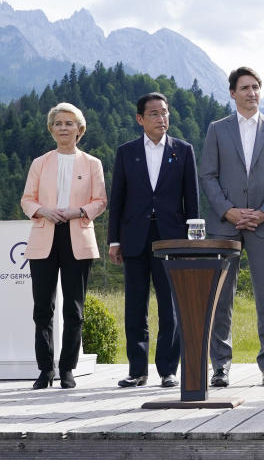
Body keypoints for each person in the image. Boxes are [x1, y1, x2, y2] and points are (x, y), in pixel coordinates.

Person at [202, 67, 264, 388]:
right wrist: (228, 212)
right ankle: (221, 366)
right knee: (221, 298)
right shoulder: (217, 129)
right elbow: (208, 176)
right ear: (232, 93)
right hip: (224, 227)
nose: (252, 92)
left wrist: (263, 213)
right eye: (245, 88)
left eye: (256, 87)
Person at [108, 92, 199, 388]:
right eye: (154, 114)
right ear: (140, 119)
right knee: (135, 305)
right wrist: (113, 241)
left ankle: (168, 370)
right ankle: (137, 370)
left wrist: (192, 241)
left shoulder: (183, 151)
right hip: (134, 238)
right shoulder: (126, 152)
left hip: (171, 240)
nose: (162, 119)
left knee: (169, 307)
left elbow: (192, 200)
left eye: (165, 113)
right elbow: (118, 199)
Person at [21, 103, 107, 390]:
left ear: (80, 130)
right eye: (58, 123)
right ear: (51, 129)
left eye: (69, 123)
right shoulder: (39, 163)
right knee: (42, 309)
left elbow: (100, 202)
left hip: (77, 238)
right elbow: (27, 200)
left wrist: (77, 211)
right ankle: (45, 369)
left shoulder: (92, 163)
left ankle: (67, 368)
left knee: (74, 309)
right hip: (44, 237)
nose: (63, 128)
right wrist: (43, 210)